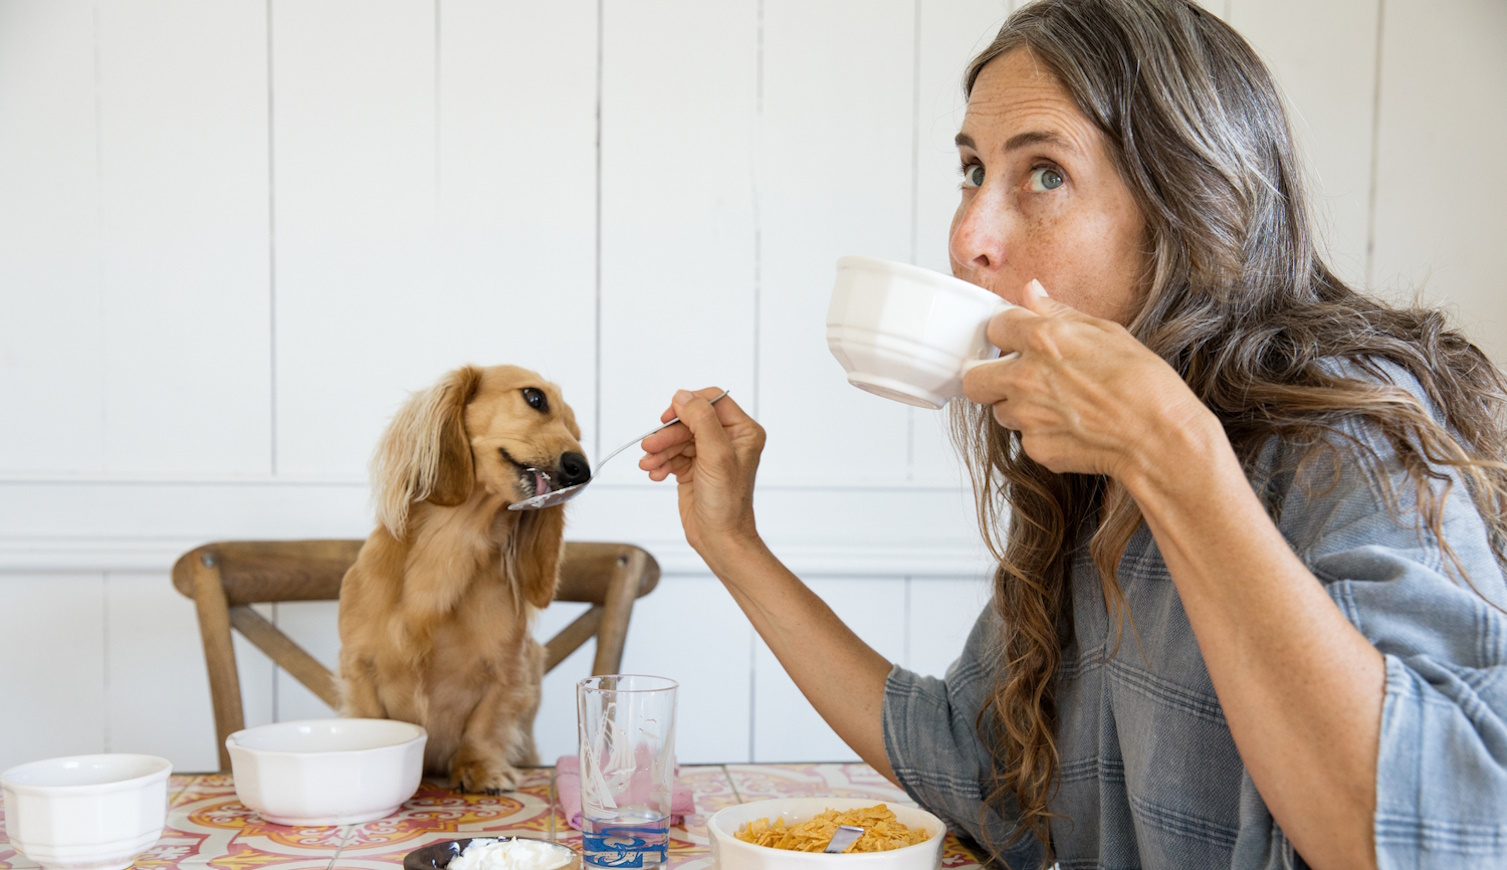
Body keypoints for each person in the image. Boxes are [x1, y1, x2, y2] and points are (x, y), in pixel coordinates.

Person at [639, 1, 1507, 867]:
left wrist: (1172, 453)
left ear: (1191, 205)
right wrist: (732, 543)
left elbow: (1448, 842)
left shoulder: (1349, 436)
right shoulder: (1093, 465)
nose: (968, 235)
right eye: (973, 172)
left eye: (1044, 174)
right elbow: (985, 773)